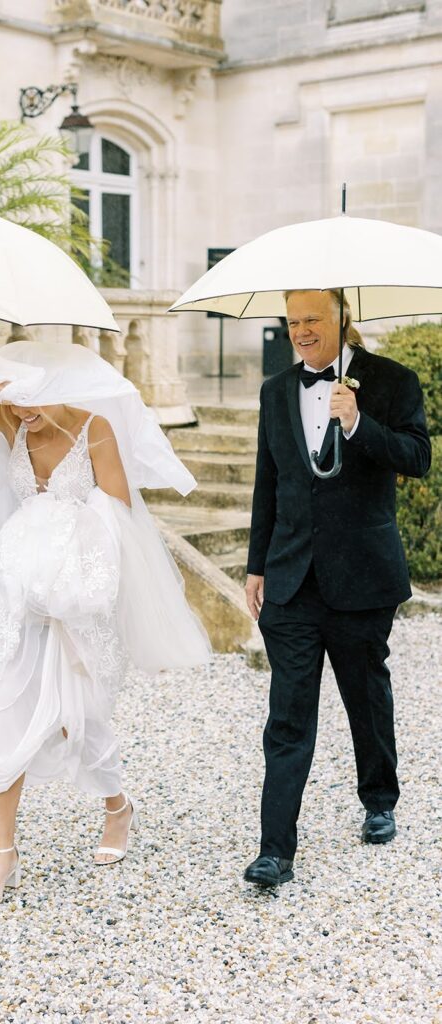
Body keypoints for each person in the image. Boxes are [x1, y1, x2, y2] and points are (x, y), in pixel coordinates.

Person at [0, 342, 211, 911]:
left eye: (35, 401)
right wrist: (3, 390)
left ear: (61, 387)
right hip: (19, 604)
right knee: (8, 714)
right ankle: (4, 852)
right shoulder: (14, 423)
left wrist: (70, 563)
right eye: (20, 402)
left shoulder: (95, 428)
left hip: (80, 603)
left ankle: (116, 807)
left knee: (77, 723)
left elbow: (120, 520)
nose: (24, 414)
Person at [243, 289, 431, 888]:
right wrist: (256, 566)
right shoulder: (276, 391)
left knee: (365, 697)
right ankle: (276, 850)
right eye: (292, 321)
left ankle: (379, 799)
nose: (300, 331)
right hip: (293, 580)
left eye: (312, 320)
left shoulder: (393, 381)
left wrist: (357, 422)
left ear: (342, 319)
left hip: (363, 577)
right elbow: (267, 482)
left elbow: (417, 457)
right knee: (288, 717)